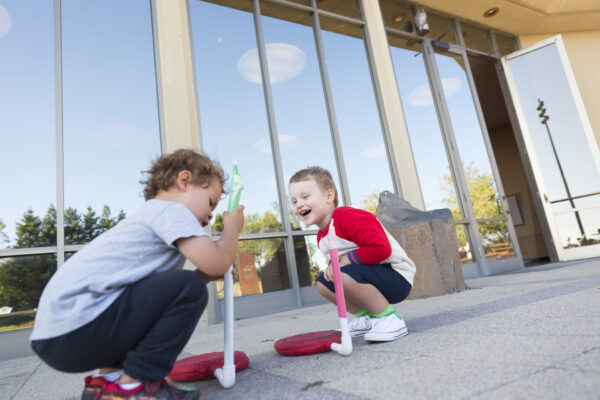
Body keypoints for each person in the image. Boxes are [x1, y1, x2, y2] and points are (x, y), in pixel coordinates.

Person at [30, 149, 245, 400]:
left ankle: (108, 384)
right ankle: (135, 385)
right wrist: (231, 231)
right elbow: (216, 264)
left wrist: (208, 274)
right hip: (76, 328)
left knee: (177, 292)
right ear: (184, 181)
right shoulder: (170, 212)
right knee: (188, 286)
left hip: (62, 337)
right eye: (210, 202)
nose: (210, 216)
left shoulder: (152, 218)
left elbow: (165, 297)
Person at [289, 166, 415, 342]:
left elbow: (381, 249)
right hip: (370, 276)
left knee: (341, 275)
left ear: (329, 196)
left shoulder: (349, 217)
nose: (299, 204)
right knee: (323, 283)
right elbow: (341, 259)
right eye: (294, 201)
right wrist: (331, 266)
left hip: (396, 276)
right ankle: (367, 317)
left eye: (305, 197)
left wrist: (343, 262)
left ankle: (389, 318)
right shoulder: (321, 236)